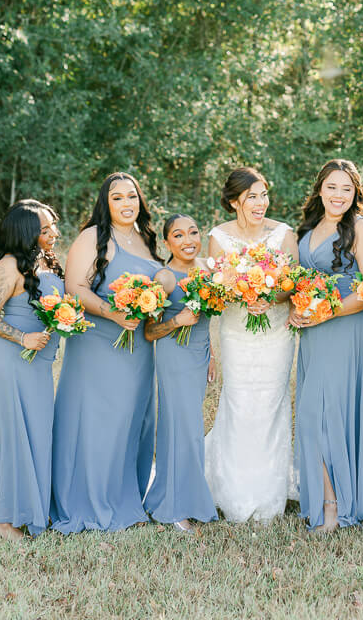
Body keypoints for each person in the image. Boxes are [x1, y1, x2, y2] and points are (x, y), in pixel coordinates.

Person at [50, 172, 161, 532]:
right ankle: (88, 502)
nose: (127, 204)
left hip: (138, 348)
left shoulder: (146, 239)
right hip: (97, 342)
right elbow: (75, 287)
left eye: (132, 196)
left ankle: (125, 500)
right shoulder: (92, 237)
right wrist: (111, 310)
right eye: (118, 198)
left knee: (131, 421)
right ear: (106, 202)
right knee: (97, 420)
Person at [291, 158, 363, 534]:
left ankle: (334, 506)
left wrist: (326, 313)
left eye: (346, 189)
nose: (338, 195)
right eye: (332, 187)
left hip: (346, 328)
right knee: (311, 413)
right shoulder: (310, 227)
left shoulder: (362, 230)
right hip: (314, 332)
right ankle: (325, 496)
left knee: (325, 414)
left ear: (356, 194)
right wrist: (296, 309)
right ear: (320, 189)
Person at [204, 166, 299, 522]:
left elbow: (292, 284)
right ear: (234, 202)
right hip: (236, 331)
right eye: (251, 198)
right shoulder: (219, 237)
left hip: (275, 333)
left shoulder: (284, 234)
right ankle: (233, 491)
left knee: (272, 402)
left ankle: (271, 493)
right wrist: (241, 296)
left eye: (264, 195)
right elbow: (217, 287)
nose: (261, 203)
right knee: (239, 401)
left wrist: (271, 297)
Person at [0, 199, 64, 541]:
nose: (53, 233)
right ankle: (3, 520)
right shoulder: (9, 266)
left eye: (53, 225)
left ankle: (28, 509)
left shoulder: (45, 261)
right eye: (44, 229)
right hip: (12, 360)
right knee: (14, 436)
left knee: (35, 433)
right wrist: (23, 337)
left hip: (38, 364)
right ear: (24, 232)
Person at [144, 213, 218, 532]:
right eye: (178, 235)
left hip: (199, 354)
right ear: (166, 242)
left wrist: (211, 354)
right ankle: (173, 507)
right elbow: (150, 332)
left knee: (191, 426)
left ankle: (183, 497)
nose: (188, 240)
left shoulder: (206, 270)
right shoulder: (165, 277)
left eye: (193, 232)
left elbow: (205, 317)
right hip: (174, 356)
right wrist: (176, 321)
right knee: (181, 428)